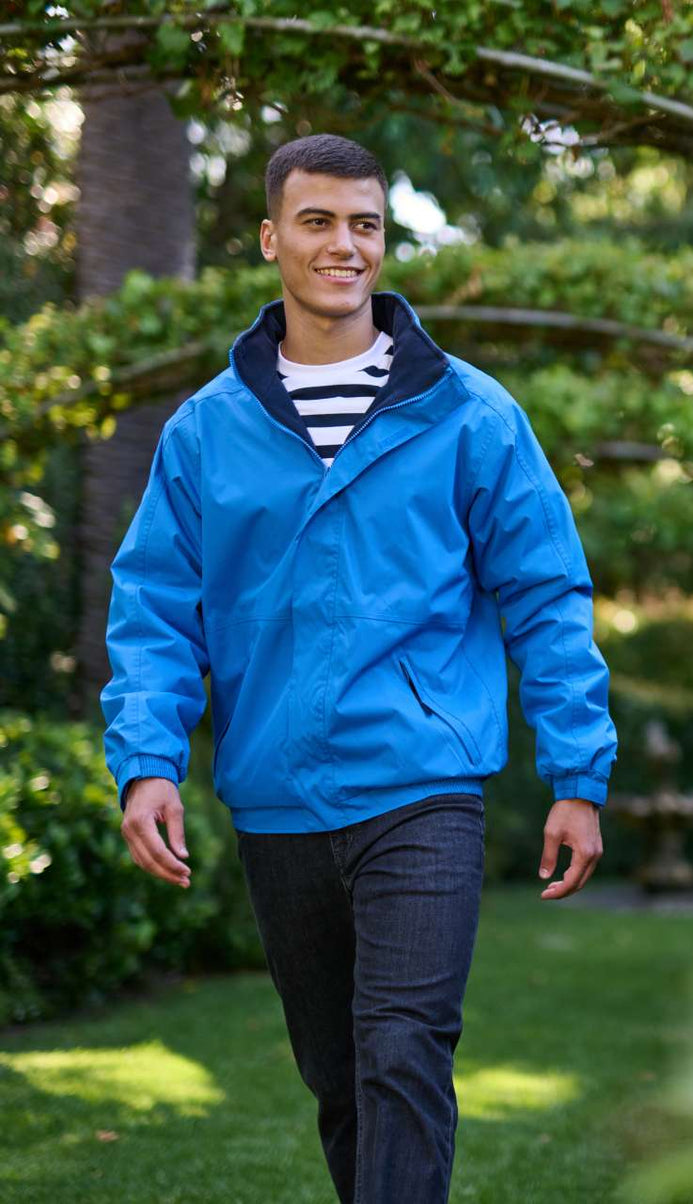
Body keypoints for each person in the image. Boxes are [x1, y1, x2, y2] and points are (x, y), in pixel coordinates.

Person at [101, 133, 618, 1202]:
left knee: (403, 1052)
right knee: (339, 1080)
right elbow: (154, 608)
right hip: (277, 796)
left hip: (421, 785)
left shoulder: (469, 413)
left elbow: (547, 597)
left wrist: (578, 772)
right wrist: (147, 759)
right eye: (319, 221)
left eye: (366, 224)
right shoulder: (204, 432)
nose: (345, 245)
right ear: (270, 238)